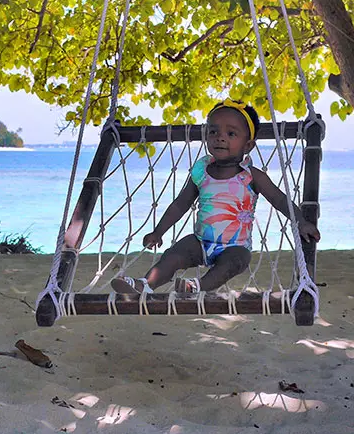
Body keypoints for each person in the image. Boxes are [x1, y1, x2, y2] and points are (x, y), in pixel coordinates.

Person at [111, 99, 320, 295]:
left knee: (232, 263)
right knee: (173, 254)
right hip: (200, 242)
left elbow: (280, 200)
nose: (220, 137)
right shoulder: (202, 172)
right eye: (213, 131)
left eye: (231, 134)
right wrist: (158, 231)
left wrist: (301, 221)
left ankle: (196, 287)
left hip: (236, 247)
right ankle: (145, 284)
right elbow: (180, 204)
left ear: (248, 145)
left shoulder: (251, 176)